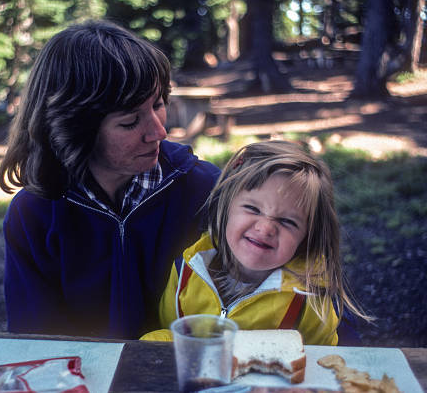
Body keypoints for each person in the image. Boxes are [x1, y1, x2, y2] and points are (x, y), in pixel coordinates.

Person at [0, 20, 220, 339]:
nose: (159, 131)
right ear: (75, 130)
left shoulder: (204, 189)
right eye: (130, 122)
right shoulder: (34, 215)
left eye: (158, 105)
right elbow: (35, 340)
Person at [141, 140, 371, 344]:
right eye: (252, 209)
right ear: (226, 206)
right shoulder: (186, 269)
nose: (265, 228)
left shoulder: (309, 300)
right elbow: (169, 336)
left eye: (287, 221)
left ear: (307, 236)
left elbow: (322, 367)